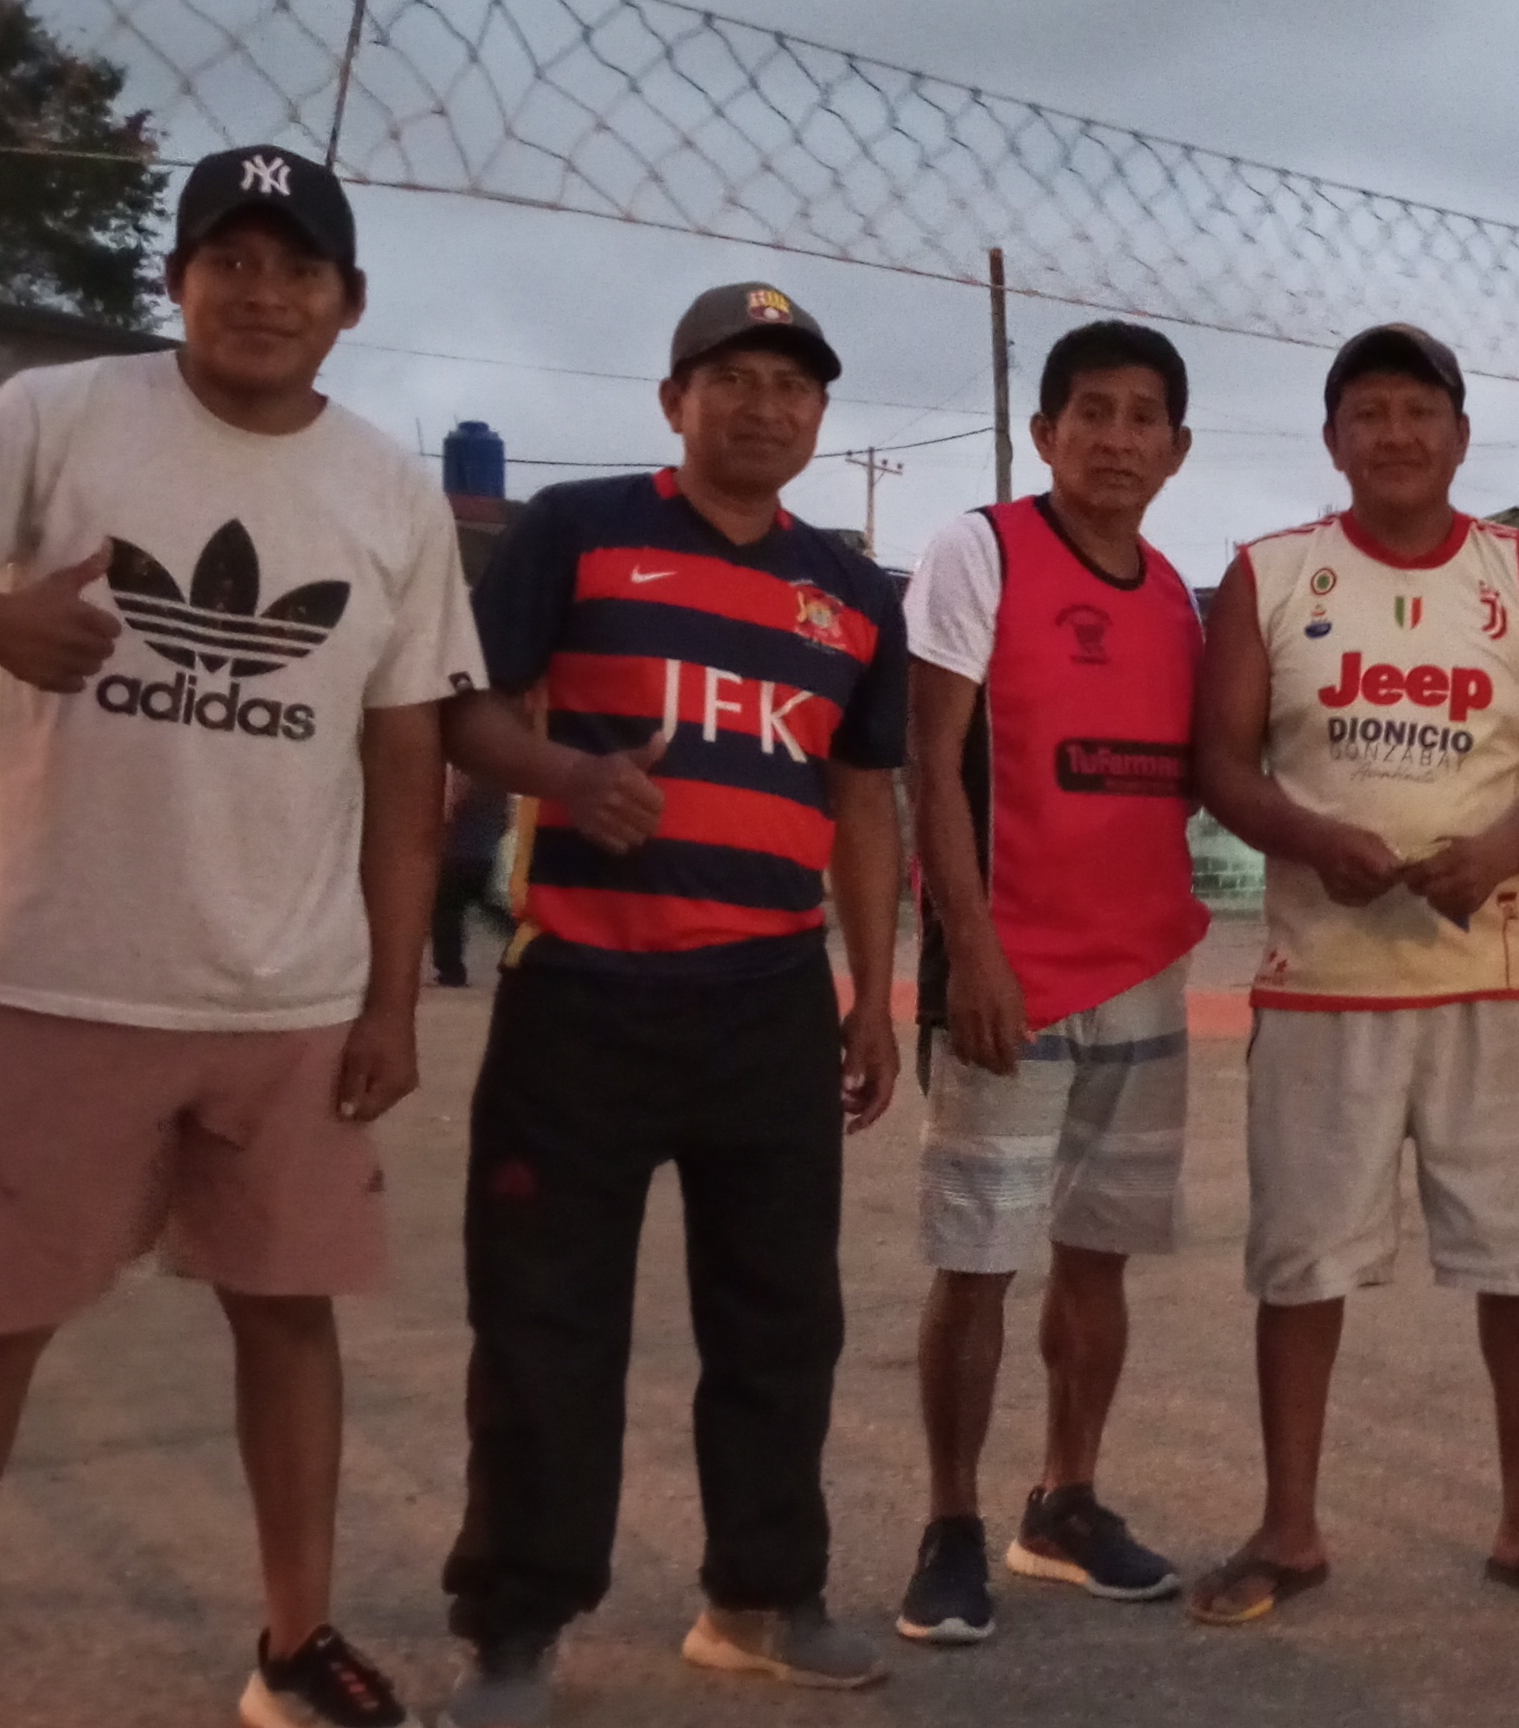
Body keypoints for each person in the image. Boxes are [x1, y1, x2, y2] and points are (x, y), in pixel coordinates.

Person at [0, 145, 470, 1728]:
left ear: (350, 302)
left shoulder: (389, 490)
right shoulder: (59, 416)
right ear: (175, 281)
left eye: (297, 268)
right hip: (63, 983)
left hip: (289, 1003)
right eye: (229, 260)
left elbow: (406, 760)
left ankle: (294, 1647)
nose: (262, 293)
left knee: (287, 1321)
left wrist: (392, 1001)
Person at [428, 281, 908, 1726]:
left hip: (768, 999)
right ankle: (517, 1630)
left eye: (793, 385)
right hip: (580, 993)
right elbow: (467, 711)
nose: (765, 405)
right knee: (544, 1325)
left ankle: (758, 1600)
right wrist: (567, 777)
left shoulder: (853, 593)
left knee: (781, 1323)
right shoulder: (574, 531)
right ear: (673, 401)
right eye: (734, 377)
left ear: (819, 417)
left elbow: (863, 798)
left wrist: (871, 992)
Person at [1184, 323, 1519, 1625]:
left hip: (1498, 982)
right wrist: (1314, 838)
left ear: (1459, 435)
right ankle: (1288, 1530)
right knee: (1302, 1264)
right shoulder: (1269, 574)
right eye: (1368, 412)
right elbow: (1220, 765)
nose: (1394, 433)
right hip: (1326, 986)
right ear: (1333, 440)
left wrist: (1499, 854)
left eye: (1418, 411)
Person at [894, 319, 1208, 1645]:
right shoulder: (980, 551)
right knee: (977, 1263)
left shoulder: (1179, 595)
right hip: (1008, 979)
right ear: (1044, 433)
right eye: (1092, 413)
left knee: (1099, 1259)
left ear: (1178, 449)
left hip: (1145, 974)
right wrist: (969, 949)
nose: (1116, 439)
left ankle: (1063, 1503)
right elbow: (931, 763)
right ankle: (951, 1525)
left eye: (1143, 418)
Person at [432, 765, 510, 986]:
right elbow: (505, 820)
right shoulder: (499, 781)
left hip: (459, 853)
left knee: (446, 912)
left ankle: (451, 971)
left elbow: (451, 806)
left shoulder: (466, 775)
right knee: (490, 907)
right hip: (485, 853)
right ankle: (515, 952)